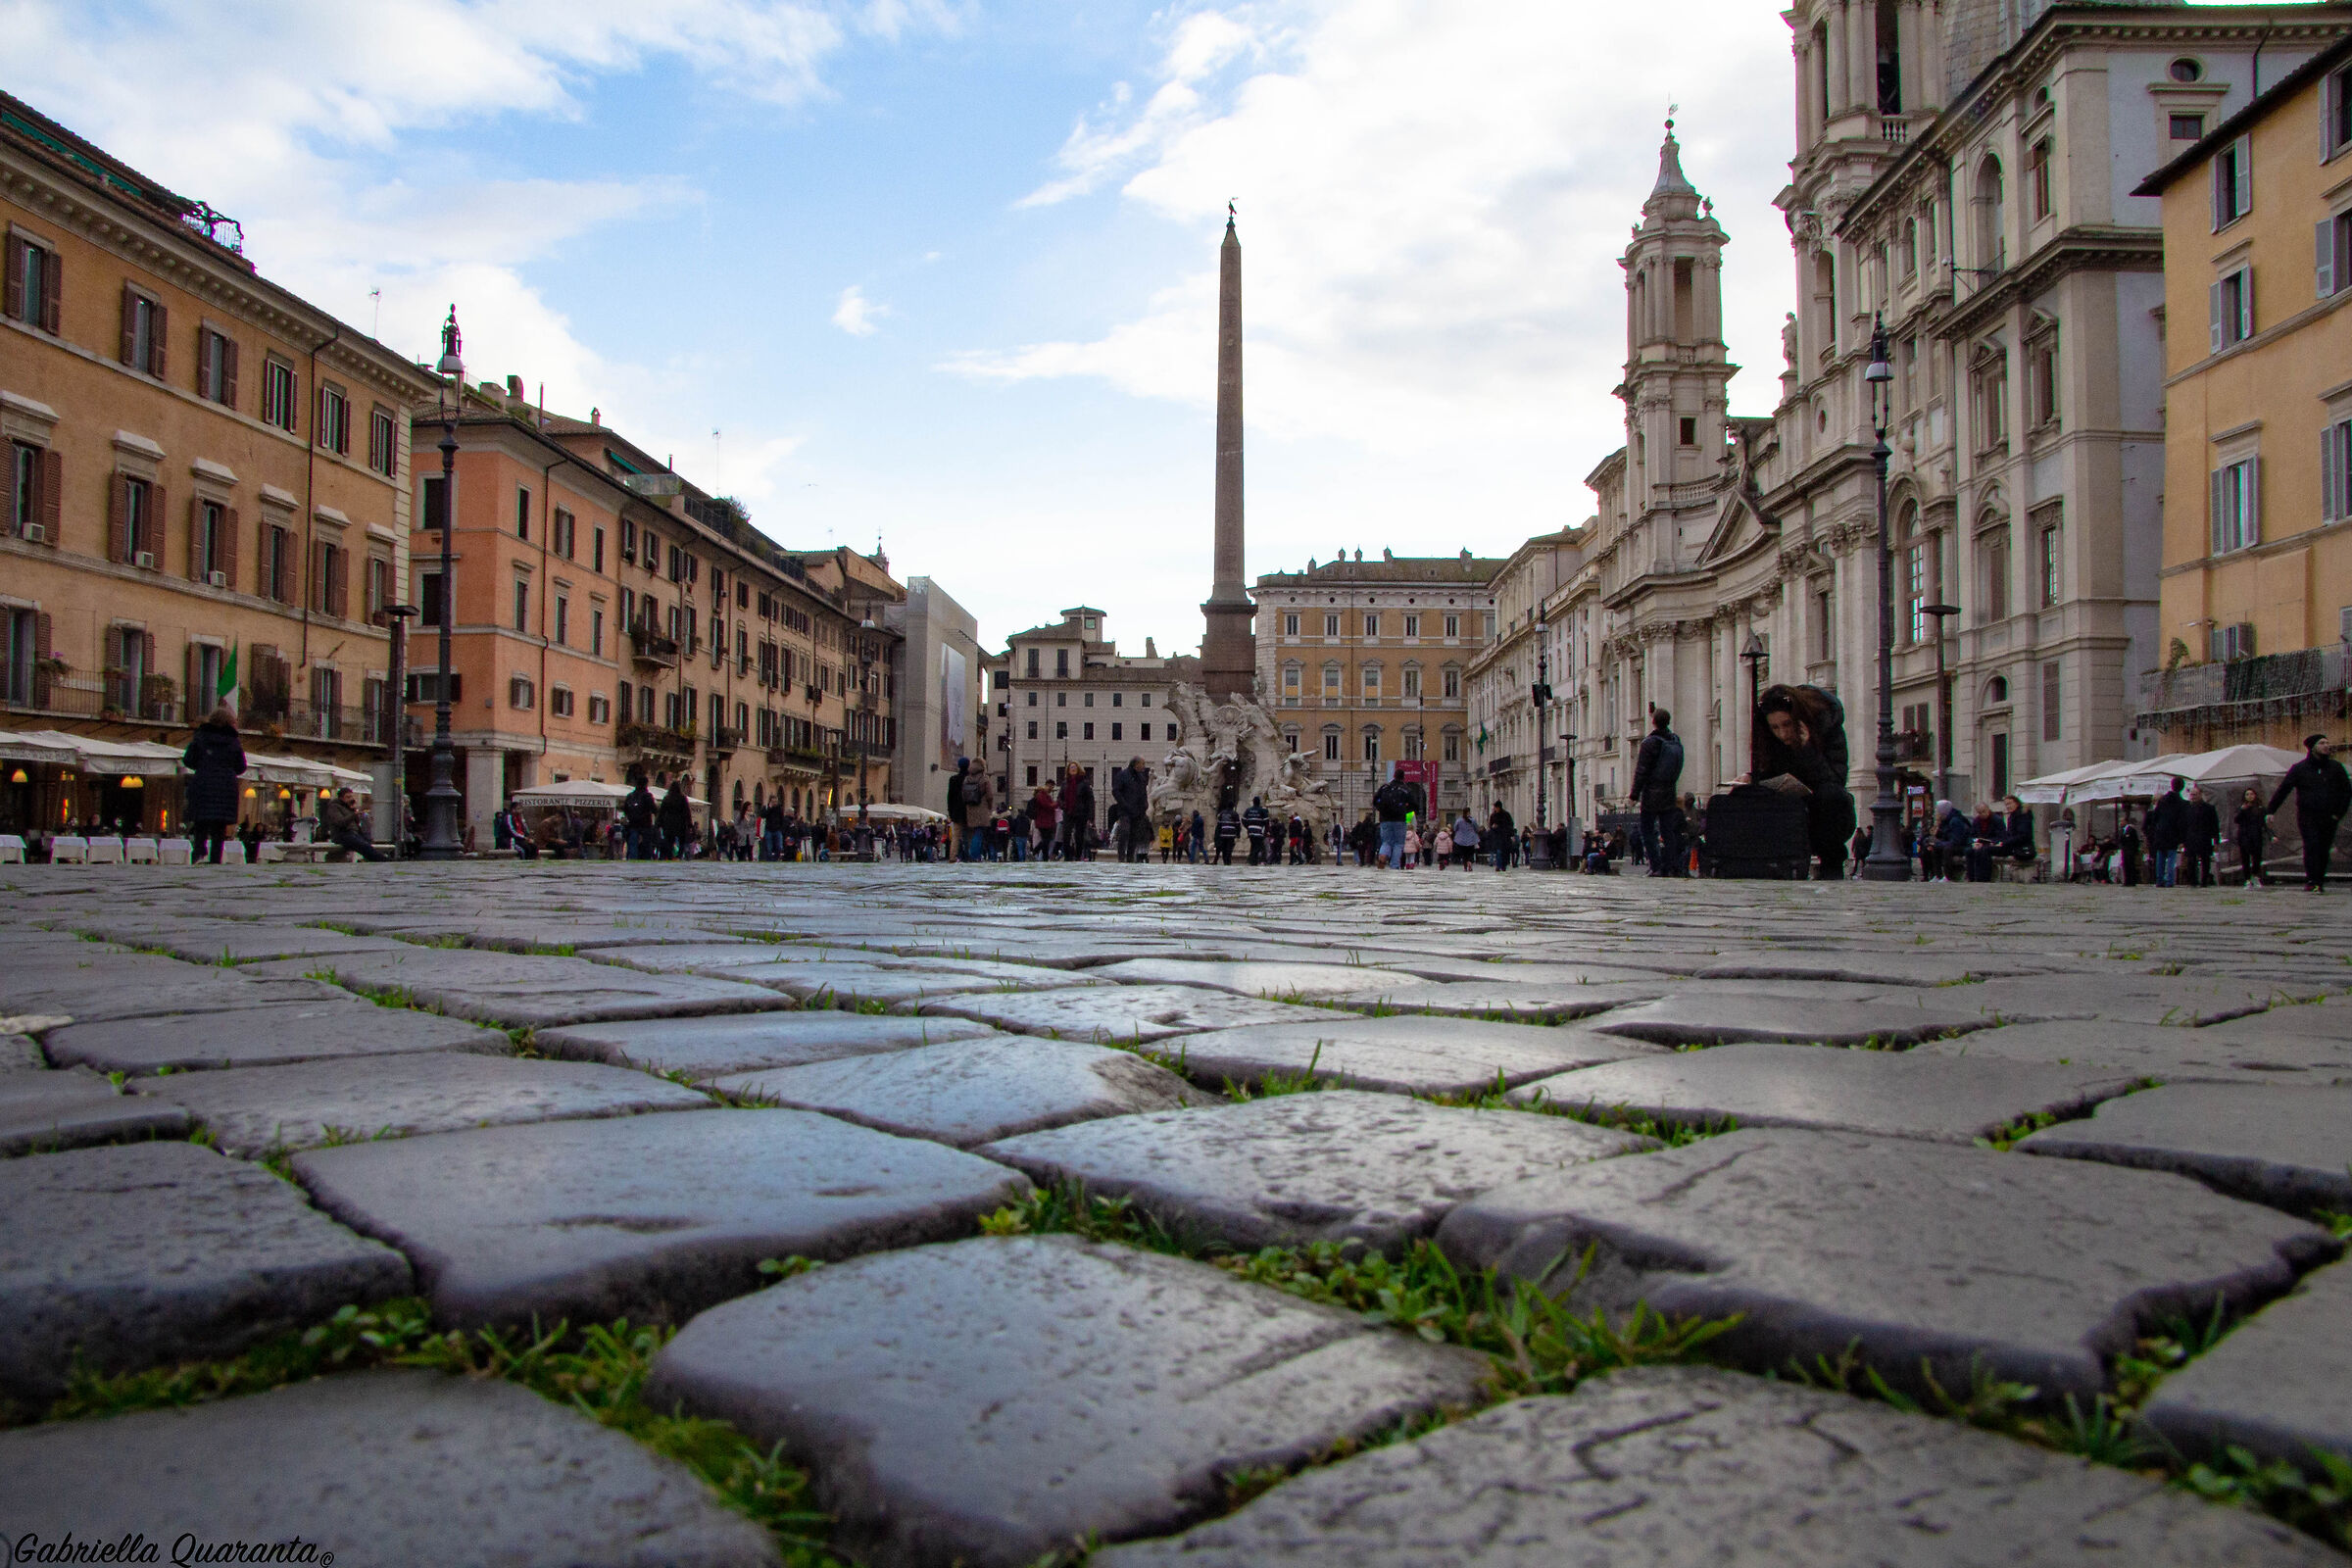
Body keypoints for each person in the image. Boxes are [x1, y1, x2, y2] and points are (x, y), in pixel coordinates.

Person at [1748, 684, 1857, 880]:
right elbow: (1769, 772)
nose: (1782, 734)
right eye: (1775, 727)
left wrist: (1808, 751)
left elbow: (1836, 780)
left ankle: (1831, 863)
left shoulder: (1828, 727)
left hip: (1824, 811)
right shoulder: (1770, 740)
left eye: (1787, 724)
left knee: (1831, 795)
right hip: (1789, 809)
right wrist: (1751, 778)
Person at [2266, 733, 2351, 893]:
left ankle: (2319, 880)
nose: (2326, 746)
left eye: (2327, 742)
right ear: (2312, 747)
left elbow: (2346, 791)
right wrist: (2271, 810)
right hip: (2308, 816)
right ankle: (2312, 880)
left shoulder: (2335, 767)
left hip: (2329, 816)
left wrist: (2338, 813)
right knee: (2311, 845)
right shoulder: (2300, 769)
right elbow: (2284, 789)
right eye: (2322, 743)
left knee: (2323, 849)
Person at [180, 705, 247, 865]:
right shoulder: (233, 741)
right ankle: (215, 859)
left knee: (201, 822)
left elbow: (188, 760)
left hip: (203, 782)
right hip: (225, 786)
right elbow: (241, 767)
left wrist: (204, 766)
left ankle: (198, 852)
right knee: (219, 826)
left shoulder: (201, 737)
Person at [1631, 709, 1686, 876]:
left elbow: (1642, 770)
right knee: (1668, 831)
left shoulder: (1650, 743)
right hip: (1669, 790)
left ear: (1653, 721)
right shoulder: (1675, 740)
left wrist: (1634, 794)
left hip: (1652, 792)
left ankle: (1656, 865)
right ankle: (1671, 865)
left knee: (1648, 831)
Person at [315, 785, 385, 861]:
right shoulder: (334, 807)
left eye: (351, 797)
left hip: (353, 833)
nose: (350, 799)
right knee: (362, 845)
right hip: (342, 834)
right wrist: (354, 814)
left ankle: (378, 858)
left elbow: (356, 823)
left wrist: (354, 811)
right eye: (348, 797)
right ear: (341, 798)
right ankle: (382, 860)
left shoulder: (348, 807)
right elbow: (340, 822)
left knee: (366, 843)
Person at [2146, 777, 2187, 888]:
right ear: (2182, 787)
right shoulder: (2182, 803)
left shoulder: (2162, 800)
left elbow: (2155, 817)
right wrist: (2182, 837)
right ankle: (2169, 880)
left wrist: (2157, 829)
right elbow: (2182, 821)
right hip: (2173, 833)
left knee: (2160, 858)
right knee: (2171, 858)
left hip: (2161, 833)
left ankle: (2159, 880)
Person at [1111, 757, 1152, 862]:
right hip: (1125, 810)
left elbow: (1143, 792)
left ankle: (1130, 857)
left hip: (1138, 811)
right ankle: (1121, 857)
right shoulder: (1123, 775)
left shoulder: (1141, 777)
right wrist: (1124, 804)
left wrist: (1145, 804)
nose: (1144, 766)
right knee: (1124, 831)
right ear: (1136, 764)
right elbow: (1116, 791)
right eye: (1142, 764)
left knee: (1134, 835)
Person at [1371, 768, 1413, 868]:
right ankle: (1394, 865)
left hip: (1385, 819)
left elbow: (1375, 800)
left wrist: (1381, 809)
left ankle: (1382, 857)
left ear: (1394, 775)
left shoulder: (1385, 787)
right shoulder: (1406, 789)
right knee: (1398, 844)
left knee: (1386, 842)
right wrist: (1405, 810)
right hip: (1399, 820)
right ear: (1403, 777)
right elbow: (1414, 804)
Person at [2183, 785, 2220, 888]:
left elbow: (2214, 825)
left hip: (2205, 838)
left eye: (2195, 794)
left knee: (2205, 860)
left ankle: (2204, 881)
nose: (2193, 797)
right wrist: (2182, 840)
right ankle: (2193, 881)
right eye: (2191, 795)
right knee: (2191, 861)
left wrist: (2216, 841)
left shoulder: (2209, 808)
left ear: (2200, 795)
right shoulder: (2187, 808)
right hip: (2191, 838)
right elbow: (2183, 825)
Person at [2233, 786, 2271, 887]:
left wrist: (2271, 835)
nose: (2249, 796)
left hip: (2256, 835)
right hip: (2244, 835)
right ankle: (2247, 879)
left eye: (2251, 794)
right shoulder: (2241, 808)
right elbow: (2236, 820)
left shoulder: (2261, 808)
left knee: (2257, 858)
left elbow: (2265, 823)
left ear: (2255, 795)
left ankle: (2255, 875)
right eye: (2247, 794)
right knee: (2245, 858)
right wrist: (2242, 810)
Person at [622, 772, 657, 860]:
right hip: (645, 824)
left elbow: (625, 809)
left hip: (633, 823)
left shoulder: (630, 796)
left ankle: (633, 858)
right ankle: (645, 859)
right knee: (646, 844)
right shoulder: (647, 796)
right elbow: (654, 809)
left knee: (633, 844)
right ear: (646, 784)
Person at [658, 780, 693, 860]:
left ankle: (670, 856)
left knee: (669, 841)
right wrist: (690, 824)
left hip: (669, 822)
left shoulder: (667, 798)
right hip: (681, 822)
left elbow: (662, 812)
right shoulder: (683, 798)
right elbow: (687, 812)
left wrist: (659, 823)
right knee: (682, 841)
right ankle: (679, 856)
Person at [1242, 796, 1272, 864]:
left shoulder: (1248, 810)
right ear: (1259, 802)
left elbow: (1243, 820)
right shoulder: (1262, 810)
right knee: (1257, 846)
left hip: (1250, 831)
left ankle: (1253, 861)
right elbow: (1266, 822)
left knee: (1253, 845)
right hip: (1259, 831)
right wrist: (1266, 831)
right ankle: (1252, 859)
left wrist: (1248, 827)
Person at [1487, 802, 1516, 871]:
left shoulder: (1506, 815)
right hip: (1497, 836)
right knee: (1498, 851)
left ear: (1499, 807)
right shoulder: (1493, 815)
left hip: (1505, 836)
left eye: (1495, 807)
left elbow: (1510, 825)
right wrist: (1493, 827)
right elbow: (1490, 825)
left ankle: (1503, 865)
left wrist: (1511, 835)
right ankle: (1498, 865)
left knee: (1504, 852)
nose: (1495, 809)